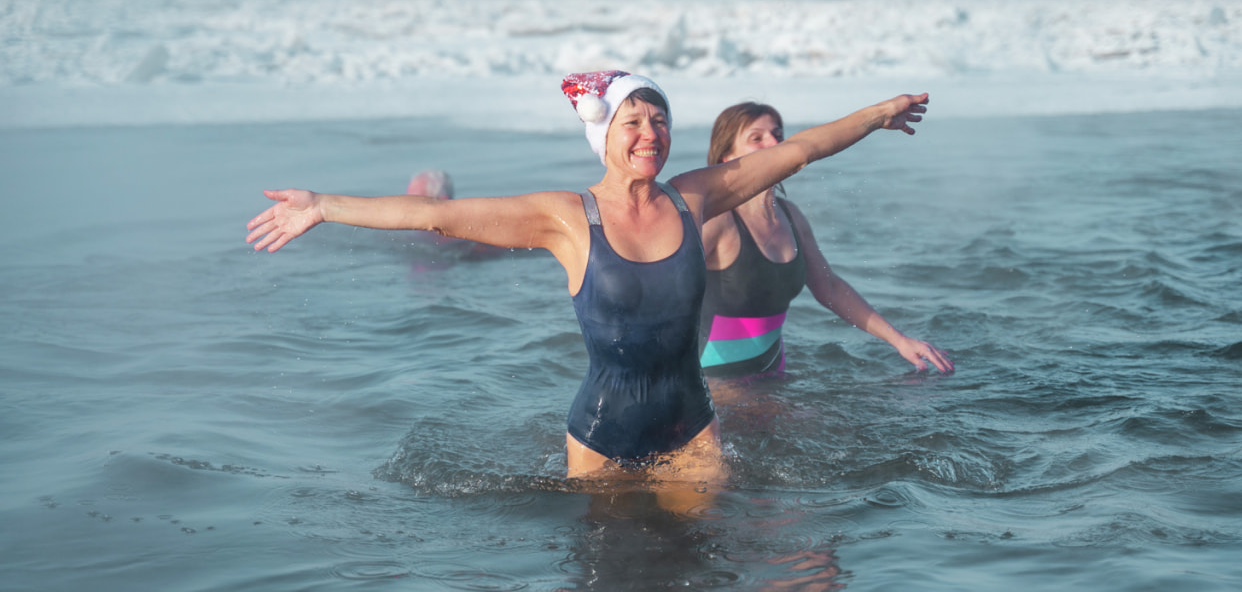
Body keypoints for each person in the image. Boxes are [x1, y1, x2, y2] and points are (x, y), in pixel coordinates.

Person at [245, 70, 930, 489]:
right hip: (601, 439)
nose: (650, 131)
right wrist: (325, 206)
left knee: (706, 560)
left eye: (660, 119)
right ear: (605, 138)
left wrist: (877, 113)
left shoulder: (694, 199)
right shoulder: (567, 218)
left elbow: (802, 149)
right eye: (634, 119)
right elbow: (440, 215)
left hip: (693, 427)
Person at [699, 102, 952, 387]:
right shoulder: (716, 223)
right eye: (757, 138)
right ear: (726, 157)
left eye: (777, 134)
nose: (774, 143)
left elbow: (828, 287)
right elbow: (659, 296)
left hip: (772, 376)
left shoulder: (791, 215)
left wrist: (900, 341)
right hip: (715, 386)